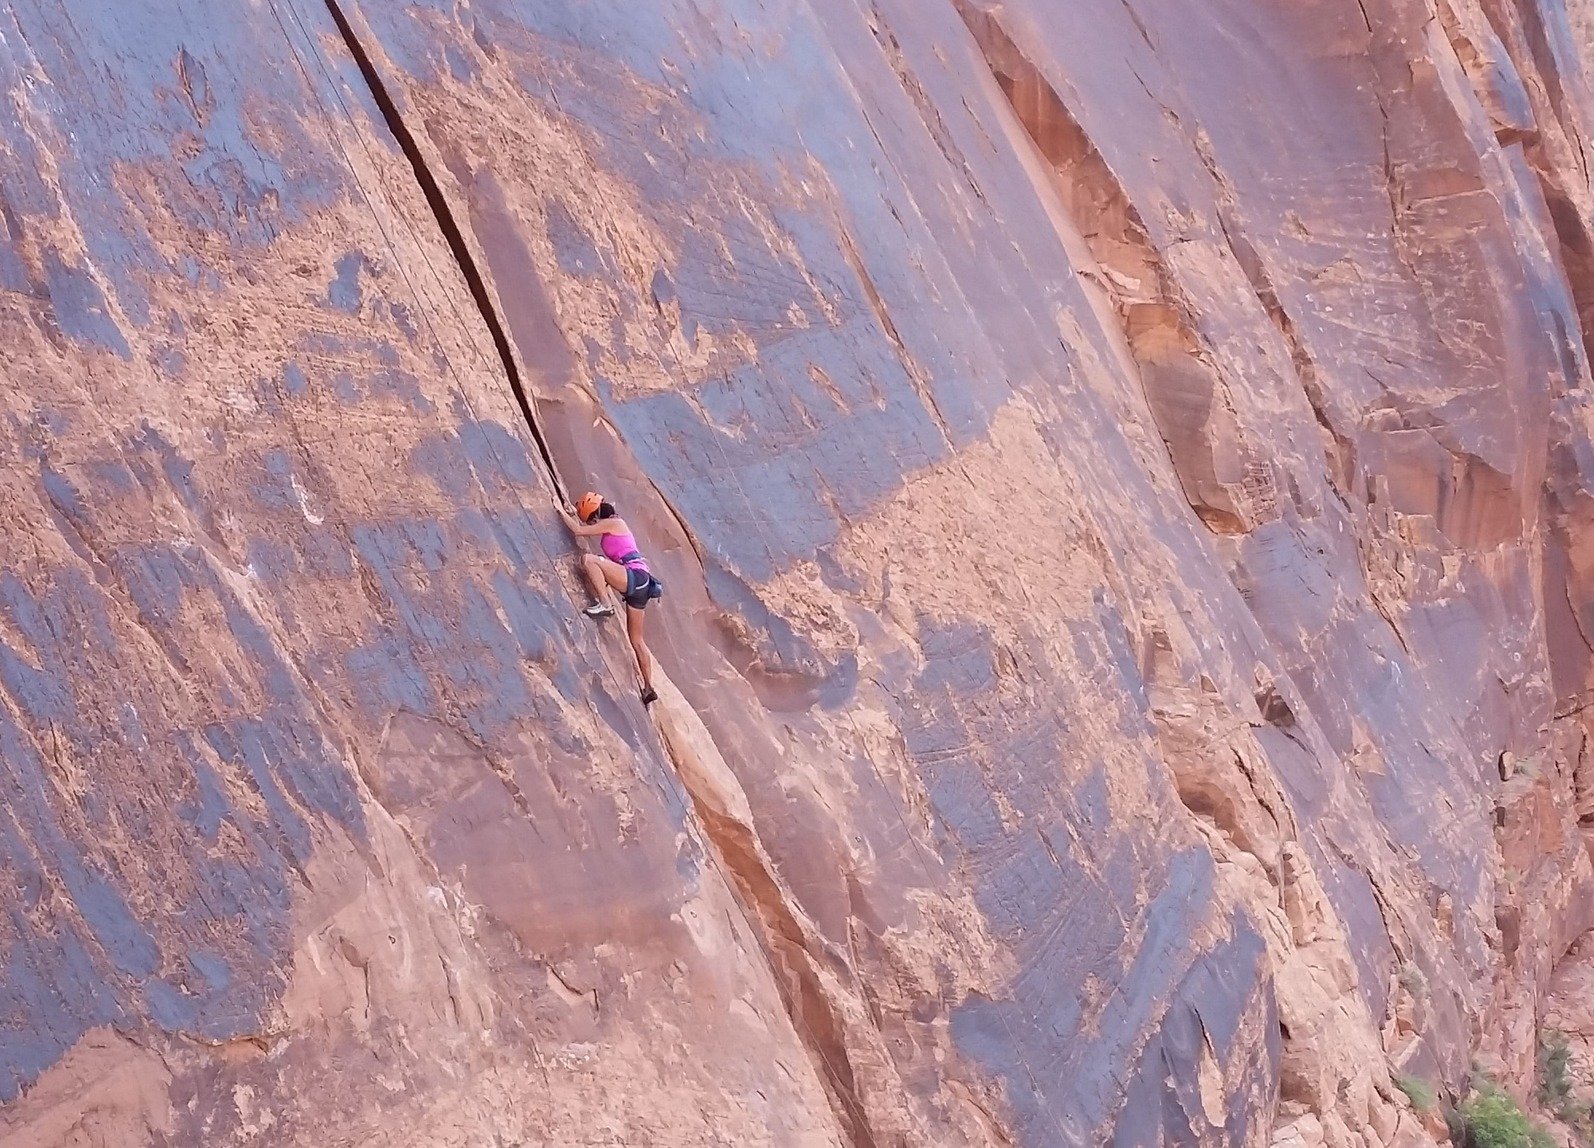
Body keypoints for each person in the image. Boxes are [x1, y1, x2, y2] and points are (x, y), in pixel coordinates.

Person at [559, 491, 664, 706]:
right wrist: (573, 512)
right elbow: (587, 527)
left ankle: (605, 604)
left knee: (589, 560)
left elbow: (579, 530)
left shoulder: (614, 524)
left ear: (595, 514)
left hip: (635, 577)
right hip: (641, 582)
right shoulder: (613, 525)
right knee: (636, 639)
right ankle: (648, 687)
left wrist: (560, 511)